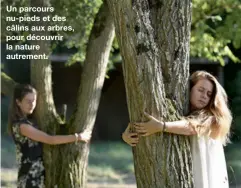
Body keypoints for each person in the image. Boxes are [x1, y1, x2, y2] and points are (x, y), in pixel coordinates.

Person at [122, 70, 232, 188]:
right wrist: (126, 136)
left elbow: (191, 127)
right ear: (190, 89)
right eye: (200, 90)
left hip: (208, 178)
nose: (204, 96)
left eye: (209, 94)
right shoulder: (183, 114)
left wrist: (162, 126)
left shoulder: (211, 118)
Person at [8, 84, 91, 188]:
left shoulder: (28, 122)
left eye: (34, 100)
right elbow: (50, 139)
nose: (32, 104)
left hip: (36, 176)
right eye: (28, 101)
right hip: (30, 178)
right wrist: (78, 137)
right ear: (18, 102)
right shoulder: (22, 126)